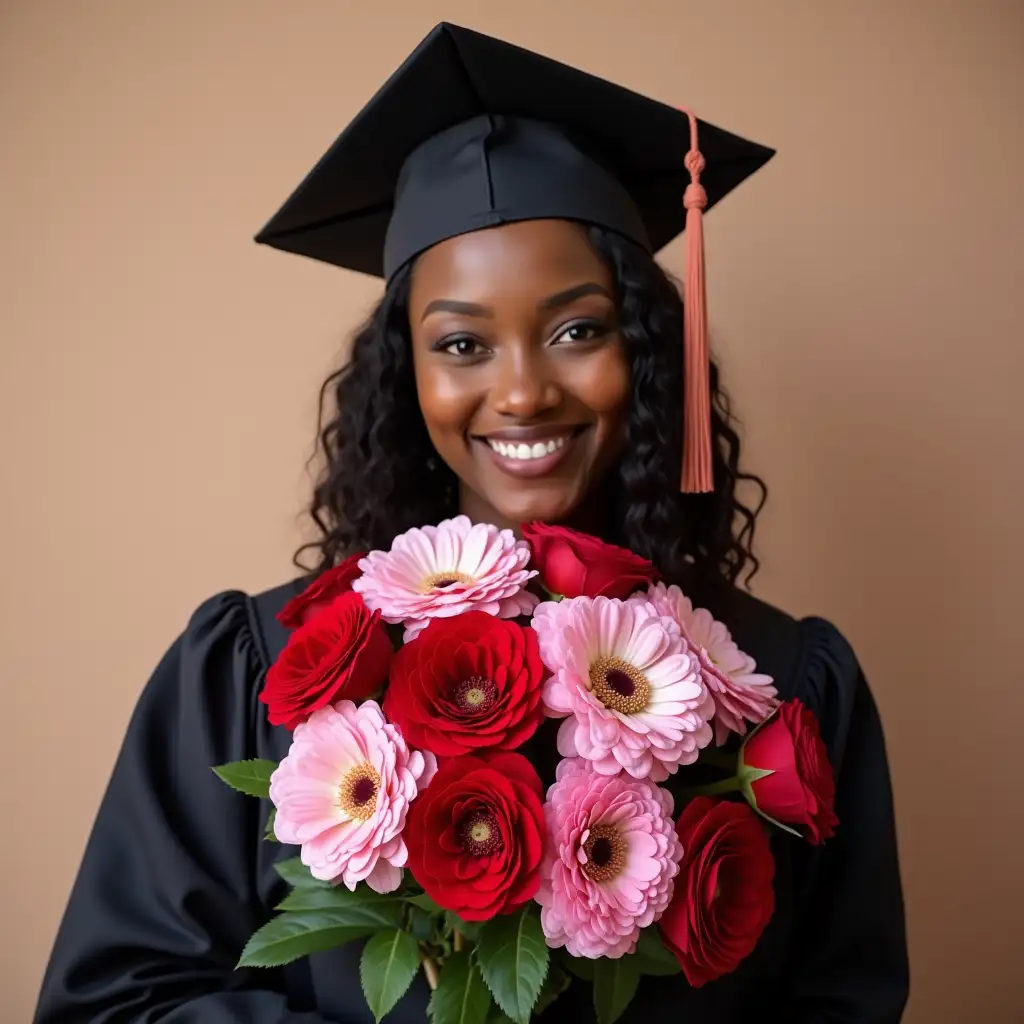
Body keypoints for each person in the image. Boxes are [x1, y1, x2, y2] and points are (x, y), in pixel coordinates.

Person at [33, 22, 908, 1024]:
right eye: (463, 343)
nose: (525, 392)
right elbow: (115, 1003)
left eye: (579, 330)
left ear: (649, 352)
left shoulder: (780, 683)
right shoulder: (257, 669)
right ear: (406, 376)